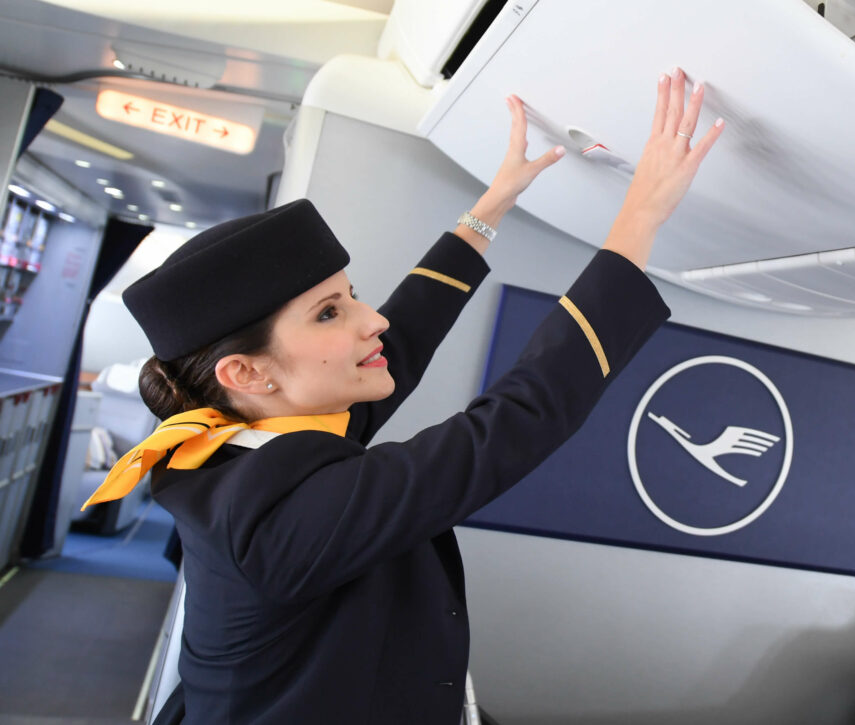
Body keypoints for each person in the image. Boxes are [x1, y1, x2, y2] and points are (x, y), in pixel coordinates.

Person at [83, 69, 724, 724]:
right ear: (247, 374)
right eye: (329, 314)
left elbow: (406, 334)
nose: (372, 320)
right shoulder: (277, 519)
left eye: (350, 294)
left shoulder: (254, 439)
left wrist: (492, 205)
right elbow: (512, 424)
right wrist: (640, 218)